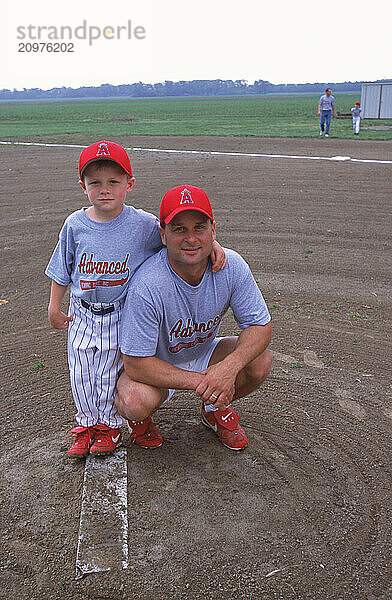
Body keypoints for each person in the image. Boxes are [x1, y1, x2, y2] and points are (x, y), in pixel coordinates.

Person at [45, 142, 225, 459]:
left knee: (114, 373)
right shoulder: (75, 225)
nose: (104, 190)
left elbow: (182, 236)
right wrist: (54, 305)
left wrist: (214, 245)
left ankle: (111, 427)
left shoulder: (141, 224)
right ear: (82, 186)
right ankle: (88, 424)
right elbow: (63, 267)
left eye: (113, 181)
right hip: (83, 313)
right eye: (95, 182)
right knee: (83, 372)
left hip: (122, 314)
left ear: (129, 183)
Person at [116, 185, 272, 451]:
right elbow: (136, 364)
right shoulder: (148, 285)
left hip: (203, 353)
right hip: (157, 365)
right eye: (179, 229)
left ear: (214, 230)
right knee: (134, 401)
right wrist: (207, 381)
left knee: (260, 360)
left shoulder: (230, 265)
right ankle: (141, 422)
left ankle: (213, 409)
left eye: (199, 228)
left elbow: (260, 326)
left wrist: (229, 366)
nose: (191, 238)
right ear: (163, 235)